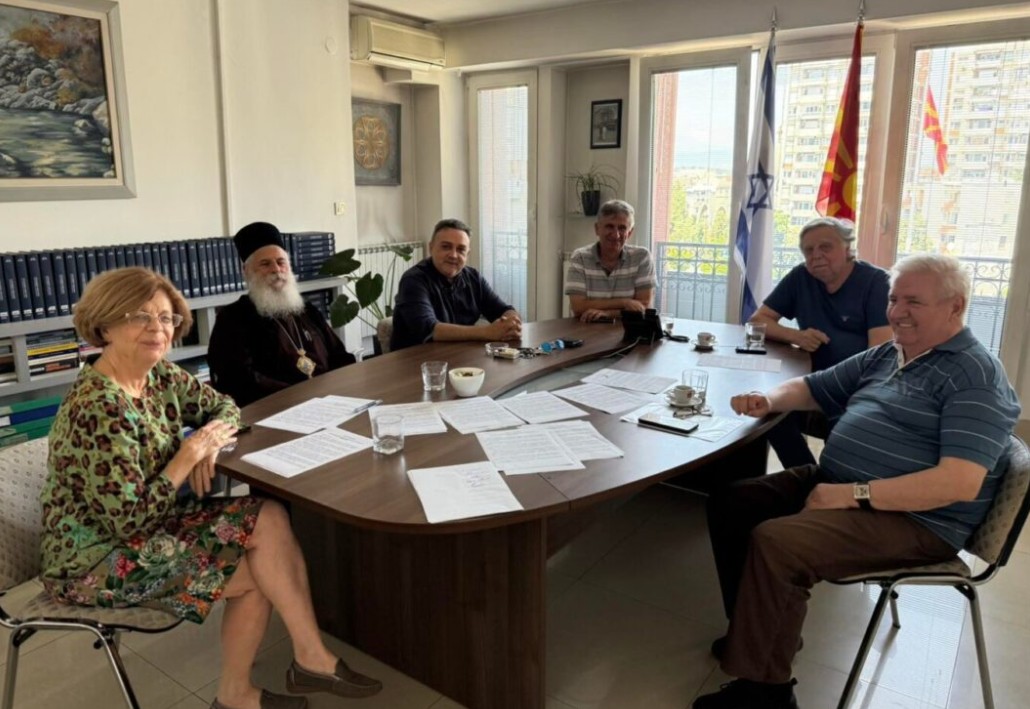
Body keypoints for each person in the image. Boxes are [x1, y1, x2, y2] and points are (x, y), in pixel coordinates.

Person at [40, 267, 381, 709]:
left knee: (268, 514)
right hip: (93, 557)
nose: (158, 329)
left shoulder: (159, 375)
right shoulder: (98, 407)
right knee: (257, 574)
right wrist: (188, 454)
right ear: (104, 326)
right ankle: (240, 693)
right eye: (140, 316)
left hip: (154, 523)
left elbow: (224, 405)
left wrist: (210, 441)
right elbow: (129, 521)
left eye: (166, 318)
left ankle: (309, 657)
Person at [695, 254, 1020, 709]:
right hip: (843, 482)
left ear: (955, 306)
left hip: (918, 520)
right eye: (893, 299)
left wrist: (851, 495)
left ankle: (766, 694)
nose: (897, 312)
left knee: (779, 543)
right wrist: (766, 398)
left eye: (913, 302)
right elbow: (815, 386)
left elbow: (958, 484)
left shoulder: (975, 376)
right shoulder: (892, 353)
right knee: (733, 502)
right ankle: (757, 634)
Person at [750, 217, 892, 467]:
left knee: (843, 440)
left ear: (848, 249)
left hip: (855, 386)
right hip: (809, 381)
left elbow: (879, 355)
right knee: (766, 407)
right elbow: (758, 321)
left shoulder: (877, 282)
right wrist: (797, 336)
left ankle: (829, 477)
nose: (816, 255)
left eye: (825, 247)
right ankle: (805, 474)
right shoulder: (801, 276)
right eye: (809, 250)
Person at [208, 221, 355, 407]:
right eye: (265, 264)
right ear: (246, 271)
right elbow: (239, 380)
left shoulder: (307, 310)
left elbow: (340, 356)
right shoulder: (232, 318)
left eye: (280, 262)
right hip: (274, 408)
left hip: (328, 401)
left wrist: (346, 387)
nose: (276, 269)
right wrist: (298, 397)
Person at [390, 218, 522, 351]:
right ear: (431, 248)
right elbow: (429, 329)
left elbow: (502, 310)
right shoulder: (413, 280)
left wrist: (512, 322)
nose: (453, 255)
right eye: (446, 247)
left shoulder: (473, 278)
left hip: (458, 356)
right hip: (416, 359)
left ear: (467, 254)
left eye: (461, 249)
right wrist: (487, 332)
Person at [565, 199, 656, 323]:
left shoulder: (642, 257)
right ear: (597, 229)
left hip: (629, 330)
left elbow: (643, 306)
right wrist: (625, 302)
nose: (616, 235)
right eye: (609, 226)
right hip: (587, 329)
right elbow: (578, 307)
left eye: (622, 228)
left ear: (629, 233)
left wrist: (608, 314)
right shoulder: (580, 258)